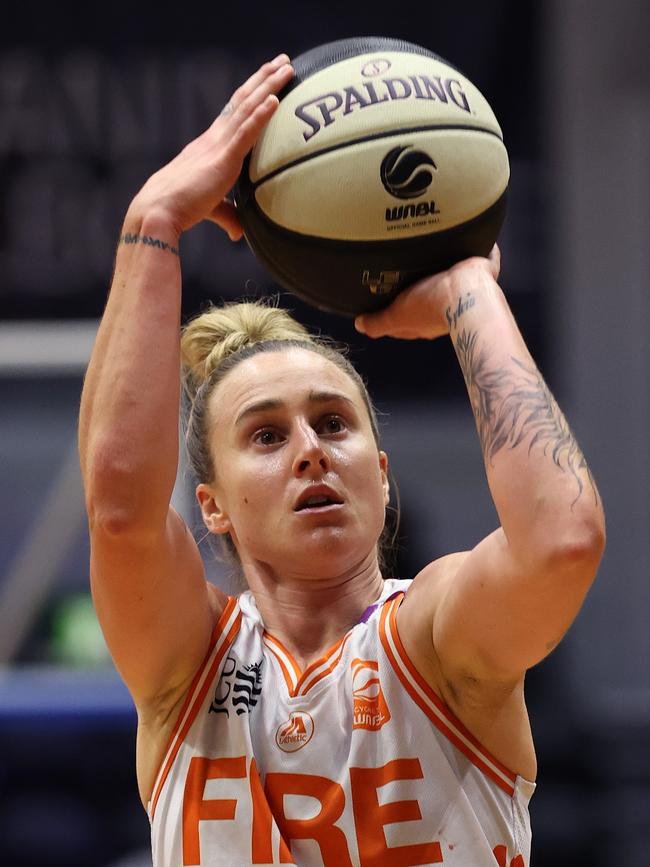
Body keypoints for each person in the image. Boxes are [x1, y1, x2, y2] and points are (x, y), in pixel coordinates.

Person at [79, 55, 605, 867]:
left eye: (333, 422)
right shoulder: (188, 661)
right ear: (210, 504)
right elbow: (119, 511)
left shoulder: (436, 638)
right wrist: (155, 215)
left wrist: (471, 291)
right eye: (265, 434)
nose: (311, 451)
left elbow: (562, 541)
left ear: (383, 474)